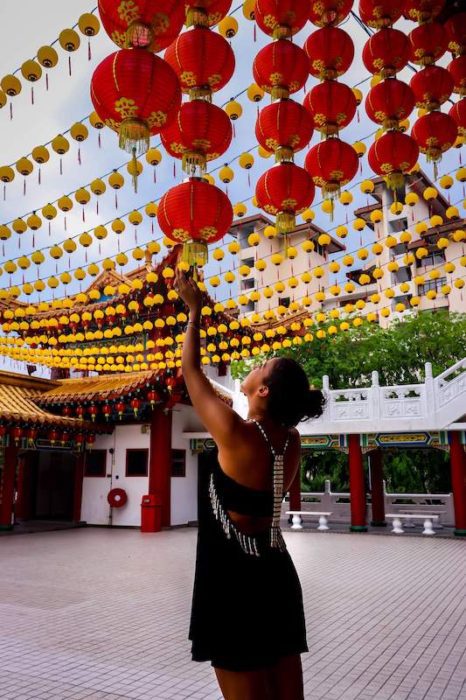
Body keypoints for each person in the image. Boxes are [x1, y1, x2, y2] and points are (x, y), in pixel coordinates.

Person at [174, 266, 325, 700]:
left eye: (260, 367)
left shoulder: (238, 434)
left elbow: (191, 373)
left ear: (263, 392)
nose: (253, 367)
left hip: (234, 582)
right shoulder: (291, 441)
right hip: (274, 572)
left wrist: (194, 313)